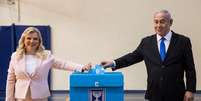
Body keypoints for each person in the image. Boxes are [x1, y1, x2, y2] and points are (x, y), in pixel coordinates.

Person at [101, 10, 196, 101]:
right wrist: (113, 63)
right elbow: (132, 57)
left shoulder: (183, 42)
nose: (158, 25)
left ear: (170, 22)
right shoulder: (146, 42)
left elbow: (190, 68)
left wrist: (190, 90)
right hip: (154, 93)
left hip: (176, 94)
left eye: (162, 22)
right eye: (156, 22)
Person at [6, 27, 92, 101]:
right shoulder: (15, 56)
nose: (32, 41)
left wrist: (81, 67)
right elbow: (11, 80)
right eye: (29, 38)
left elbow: (63, 64)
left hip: (40, 97)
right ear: (24, 40)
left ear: (39, 41)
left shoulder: (46, 55)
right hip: (21, 97)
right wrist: (9, 99)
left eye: (35, 39)